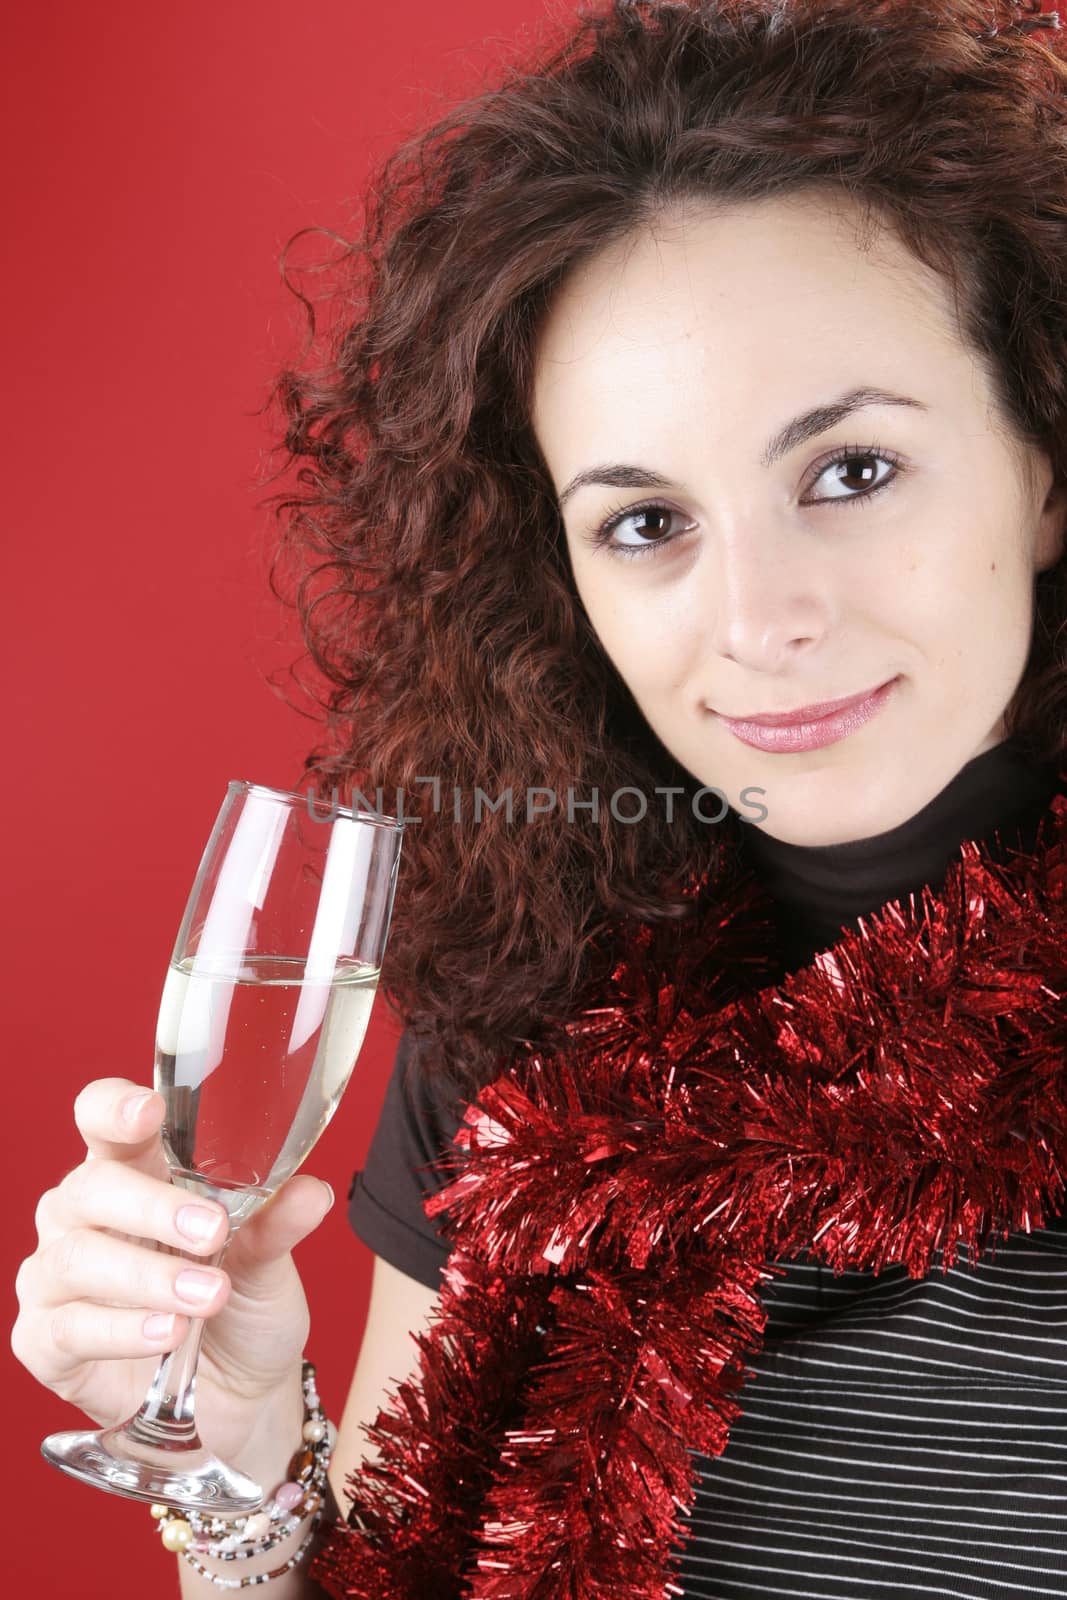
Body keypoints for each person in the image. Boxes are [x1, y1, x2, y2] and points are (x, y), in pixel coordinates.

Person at [14, 0, 1067, 1592]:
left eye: (850, 472)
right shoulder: (529, 1004)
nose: (757, 620)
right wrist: (236, 1454)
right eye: (647, 523)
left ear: (1045, 459)